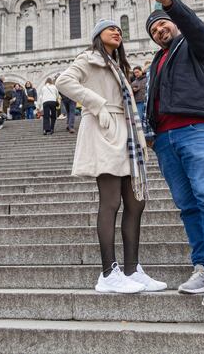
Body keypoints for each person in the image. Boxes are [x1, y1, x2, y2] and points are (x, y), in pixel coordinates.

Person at [142, 0, 204, 308]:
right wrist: (151, 132)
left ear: (174, 23)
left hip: (197, 129)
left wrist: (168, 2)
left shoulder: (195, 45)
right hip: (166, 139)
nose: (159, 31)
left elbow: (196, 28)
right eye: (153, 30)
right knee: (188, 206)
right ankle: (203, 267)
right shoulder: (158, 60)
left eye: (163, 24)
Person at [57, 19, 164, 295]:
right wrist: (96, 104)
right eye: (109, 29)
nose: (117, 31)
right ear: (97, 36)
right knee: (111, 201)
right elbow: (64, 81)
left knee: (136, 202)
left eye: (118, 29)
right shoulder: (88, 58)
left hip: (125, 131)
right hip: (106, 129)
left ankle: (131, 269)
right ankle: (108, 273)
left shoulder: (117, 65)